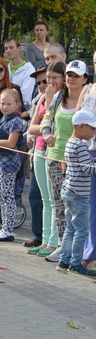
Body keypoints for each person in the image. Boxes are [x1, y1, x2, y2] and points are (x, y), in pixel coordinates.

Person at [40, 60, 89, 262]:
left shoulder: (88, 101)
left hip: (77, 163)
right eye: (69, 74)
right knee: (58, 205)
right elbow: (47, 118)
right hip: (54, 157)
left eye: (76, 76)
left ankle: (77, 249)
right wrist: (47, 132)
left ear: (85, 79)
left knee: (76, 209)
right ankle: (62, 247)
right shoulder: (59, 97)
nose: (71, 79)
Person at [28, 61, 62, 257]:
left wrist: (49, 104)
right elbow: (33, 127)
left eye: (54, 78)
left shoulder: (59, 98)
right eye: (48, 78)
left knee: (53, 198)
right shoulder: (42, 97)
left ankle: (53, 242)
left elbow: (53, 122)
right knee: (45, 198)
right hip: (40, 149)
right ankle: (45, 240)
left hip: (53, 150)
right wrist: (43, 127)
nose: (49, 82)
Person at [57, 110, 96, 276]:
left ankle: (64, 260)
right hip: (79, 194)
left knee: (70, 229)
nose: (94, 131)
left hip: (68, 191)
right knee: (82, 231)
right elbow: (87, 170)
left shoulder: (71, 142)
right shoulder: (80, 145)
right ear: (81, 127)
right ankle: (76, 263)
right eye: (92, 128)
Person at [0, 89, 25, 242]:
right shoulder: (4, 118)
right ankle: (4, 227)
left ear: (17, 105)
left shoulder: (16, 121)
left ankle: (9, 230)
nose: (5, 106)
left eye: (9, 103)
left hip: (8, 165)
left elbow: (11, 143)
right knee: (2, 197)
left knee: (8, 197)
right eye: (3, 103)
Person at [76, 50, 96, 266]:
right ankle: (88, 252)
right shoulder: (88, 89)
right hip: (86, 151)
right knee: (87, 204)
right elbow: (77, 119)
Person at [3, 38, 35, 112]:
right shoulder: (5, 68)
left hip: (21, 111)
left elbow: (26, 95)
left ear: (19, 49)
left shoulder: (29, 70)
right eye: (6, 48)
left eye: (11, 47)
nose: (8, 51)